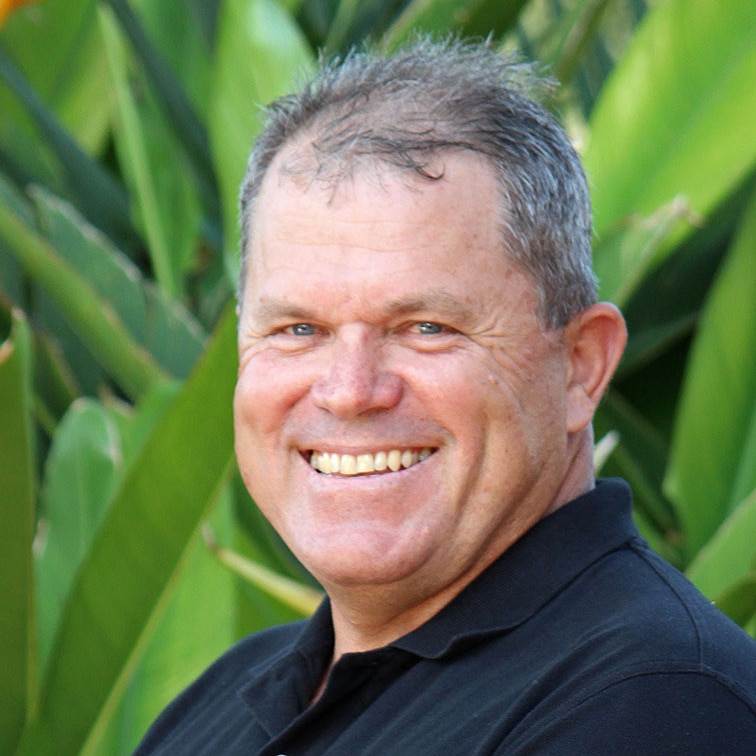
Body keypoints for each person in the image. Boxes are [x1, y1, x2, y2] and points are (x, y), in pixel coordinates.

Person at [135, 38, 756, 754]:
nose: (349, 390)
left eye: (426, 327)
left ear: (580, 367)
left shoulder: (656, 703)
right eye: (298, 328)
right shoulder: (221, 702)